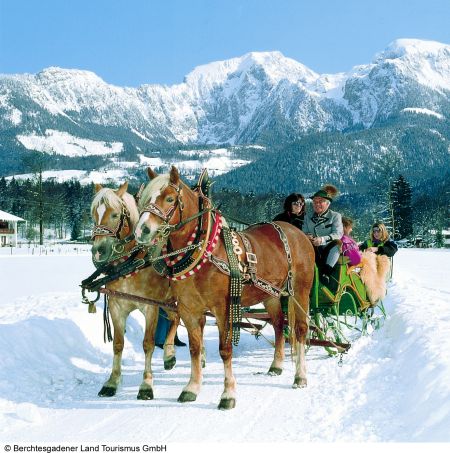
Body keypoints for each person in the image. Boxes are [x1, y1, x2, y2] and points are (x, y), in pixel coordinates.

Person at [302, 185, 343, 284]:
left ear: (327, 204)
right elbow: (304, 231)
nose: (317, 204)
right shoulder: (308, 217)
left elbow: (338, 234)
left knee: (337, 244)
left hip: (328, 249)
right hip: (312, 248)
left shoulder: (335, 216)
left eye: (320, 202)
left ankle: (326, 273)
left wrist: (322, 240)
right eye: (315, 202)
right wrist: (307, 236)